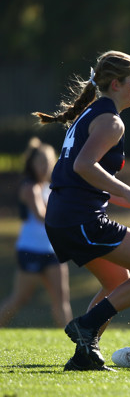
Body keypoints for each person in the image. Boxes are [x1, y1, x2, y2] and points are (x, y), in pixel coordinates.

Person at [32, 50, 130, 371]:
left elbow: (90, 179)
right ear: (116, 84)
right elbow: (84, 166)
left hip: (65, 217)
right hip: (81, 219)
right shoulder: (110, 122)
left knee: (118, 283)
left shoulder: (93, 115)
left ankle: (84, 355)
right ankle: (86, 327)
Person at [0, 138, 73, 328]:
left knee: (61, 301)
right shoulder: (29, 188)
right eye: (40, 162)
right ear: (31, 164)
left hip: (53, 251)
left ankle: (77, 345)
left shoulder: (51, 188)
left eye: (48, 162)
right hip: (30, 250)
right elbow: (41, 215)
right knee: (19, 299)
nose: (44, 166)